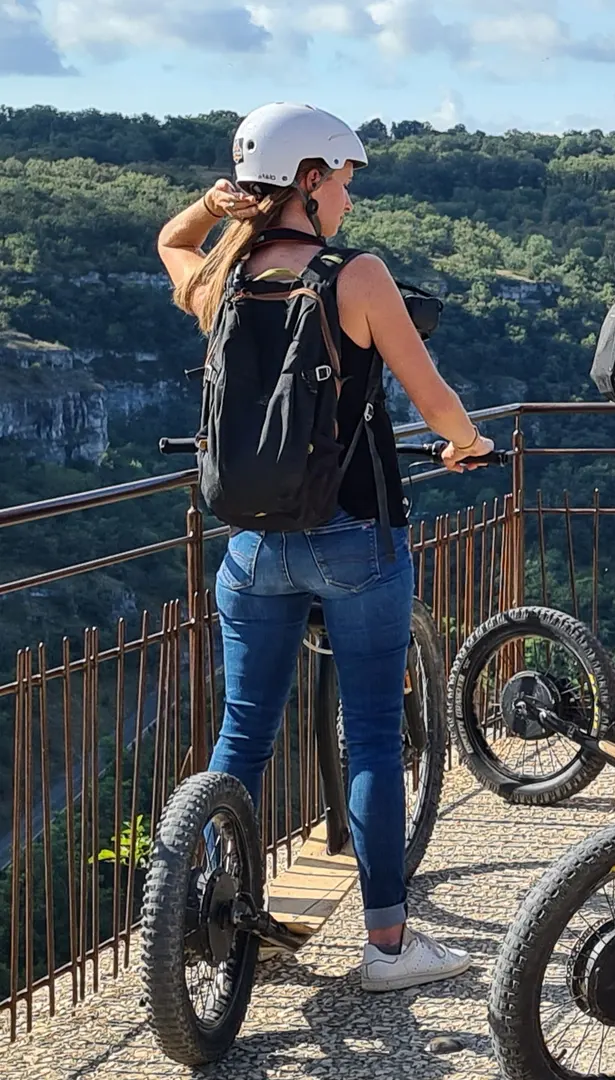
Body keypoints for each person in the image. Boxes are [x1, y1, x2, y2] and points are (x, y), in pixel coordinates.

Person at [156, 102, 495, 991]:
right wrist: (466, 445)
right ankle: (386, 947)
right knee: (377, 740)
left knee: (243, 732)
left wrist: (215, 206)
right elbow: (434, 399)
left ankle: (206, 904)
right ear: (310, 179)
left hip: (254, 545)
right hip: (354, 538)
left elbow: (168, 244)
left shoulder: (225, 274)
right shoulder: (357, 276)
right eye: (342, 178)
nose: (349, 195)